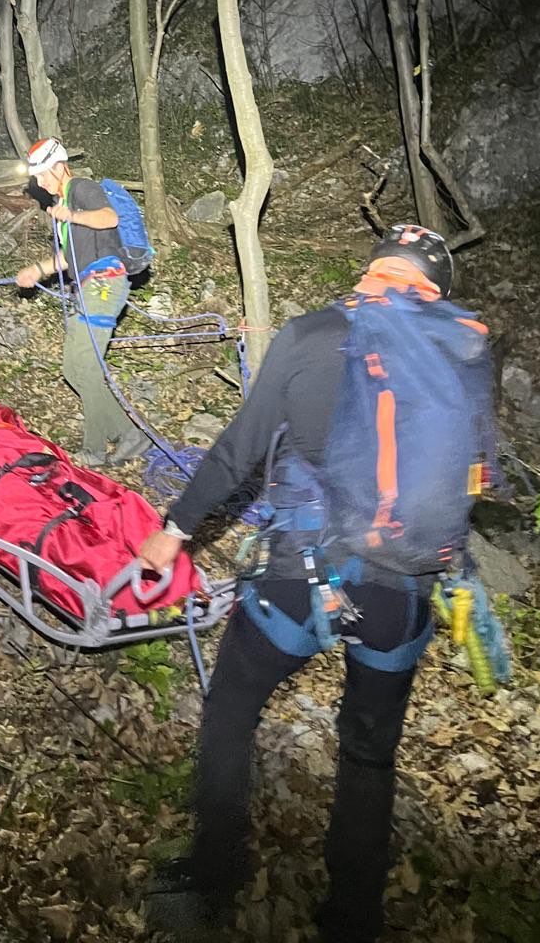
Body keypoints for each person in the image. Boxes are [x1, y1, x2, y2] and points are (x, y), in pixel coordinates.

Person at [137, 226, 492, 943]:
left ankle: (215, 873)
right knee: (368, 750)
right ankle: (353, 915)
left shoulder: (310, 336)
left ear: (371, 270)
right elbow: (465, 479)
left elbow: (239, 450)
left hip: (301, 577)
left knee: (233, 705)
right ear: (435, 289)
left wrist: (174, 531)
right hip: (403, 589)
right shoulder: (462, 352)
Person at [14, 136, 149, 468]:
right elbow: (68, 258)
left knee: (86, 367)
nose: (41, 182)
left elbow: (108, 218)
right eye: (38, 177)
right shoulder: (65, 206)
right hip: (88, 287)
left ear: (60, 167)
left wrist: (71, 215)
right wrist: (37, 269)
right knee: (73, 370)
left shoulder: (82, 189)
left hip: (105, 285)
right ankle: (128, 434)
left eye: (45, 174)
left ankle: (94, 450)